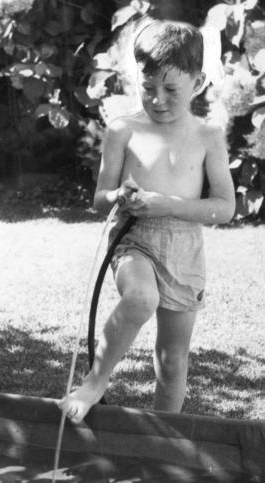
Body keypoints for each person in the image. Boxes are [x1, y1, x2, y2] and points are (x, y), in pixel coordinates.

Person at [61, 19, 235, 423]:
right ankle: (94, 382)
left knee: (172, 360)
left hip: (184, 249)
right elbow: (100, 200)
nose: (157, 99)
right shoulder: (123, 130)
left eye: (171, 89)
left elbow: (224, 207)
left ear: (199, 81)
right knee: (141, 298)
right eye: (148, 86)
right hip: (134, 238)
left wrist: (167, 204)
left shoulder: (209, 136)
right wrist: (118, 197)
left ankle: (164, 438)